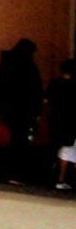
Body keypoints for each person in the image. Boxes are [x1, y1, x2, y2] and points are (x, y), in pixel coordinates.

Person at [0, 39, 44, 181]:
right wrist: (37, 111)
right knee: (22, 141)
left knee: (13, 139)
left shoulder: (5, 64)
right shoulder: (30, 67)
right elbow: (36, 89)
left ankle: (10, 171)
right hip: (26, 110)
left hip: (8, 109)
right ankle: (19, 172)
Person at [46, 59, 76, 193]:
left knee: (61, 148)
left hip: (56, 119)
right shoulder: (74, 85)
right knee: (70, 149)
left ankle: (59, 177)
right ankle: (65, 178)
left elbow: (46, 100)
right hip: (72, 121)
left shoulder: (54, 83)